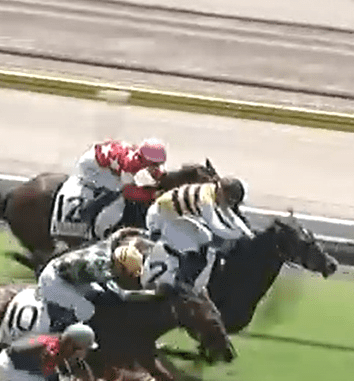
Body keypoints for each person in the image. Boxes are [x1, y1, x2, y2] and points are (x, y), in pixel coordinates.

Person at [26, 231, 166, 340]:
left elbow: (118, 235)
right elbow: (123, 294)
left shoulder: (110, 250)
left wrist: (142, 233)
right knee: (86, 309)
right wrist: (152, 294)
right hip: (54, 281)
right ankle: (59, 337)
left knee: (99, 295)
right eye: (129, 273)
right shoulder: (102, 269)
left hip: (72, 277)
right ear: (122, 267)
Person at [142, 177, 253, 294]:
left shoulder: (214, 191)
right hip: (161, 219)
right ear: (222, 192)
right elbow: (216, 227)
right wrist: (237, 235)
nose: (229, 205)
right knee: (194, 249)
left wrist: (248, 232)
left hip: (174, 217)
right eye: (229, 201)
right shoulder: (205, 200)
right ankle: (180, 284)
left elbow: (230, 215)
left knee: (204, 240)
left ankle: (188, 281)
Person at [69, 138, 169, 238]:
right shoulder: (131, 163)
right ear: (146, 160)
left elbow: (152, 170)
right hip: (92, 168)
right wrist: (152, 195)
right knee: (117, 194)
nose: (159, 167)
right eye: (156, 164)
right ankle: (100, 229)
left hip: (101, 157)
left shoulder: (140, 157)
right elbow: (128, 192)